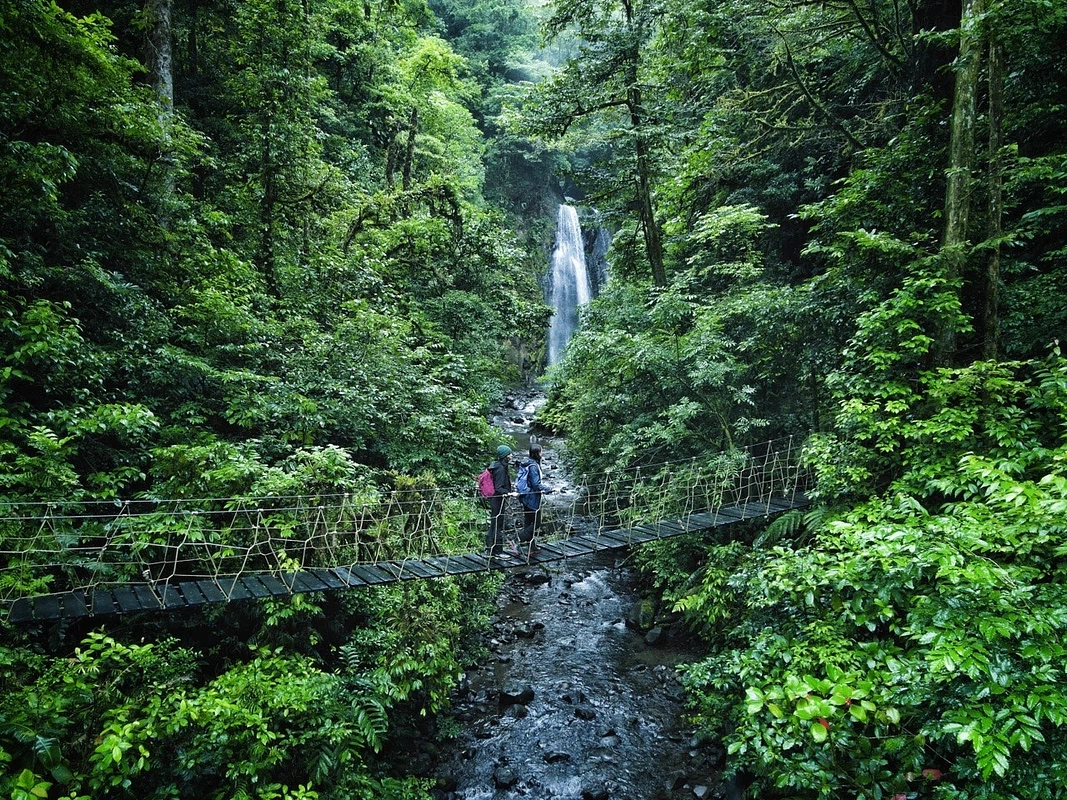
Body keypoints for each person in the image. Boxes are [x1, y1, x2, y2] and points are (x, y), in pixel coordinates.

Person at [517, 443, 545, 558]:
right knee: (537, 523)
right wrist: (549, 489)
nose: (542, 453)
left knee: (528, 522)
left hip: (525, 496)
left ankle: (531, 546)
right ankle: (517, 540)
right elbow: (536, 484)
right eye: (541, 451)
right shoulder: (533, 466)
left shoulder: (527, 463)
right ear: (537, 453)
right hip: (532, 498)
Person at [486, 445, 512, 558]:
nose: (511, 456)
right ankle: (498, 551)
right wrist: (508, 493)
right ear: (505, 456)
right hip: (497, 500)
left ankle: (490, 549)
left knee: (494, 524)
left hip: (495, 499)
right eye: (510, 454)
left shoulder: (497, 466)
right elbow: (499, 487)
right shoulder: (500, 469)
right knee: (497, 524)